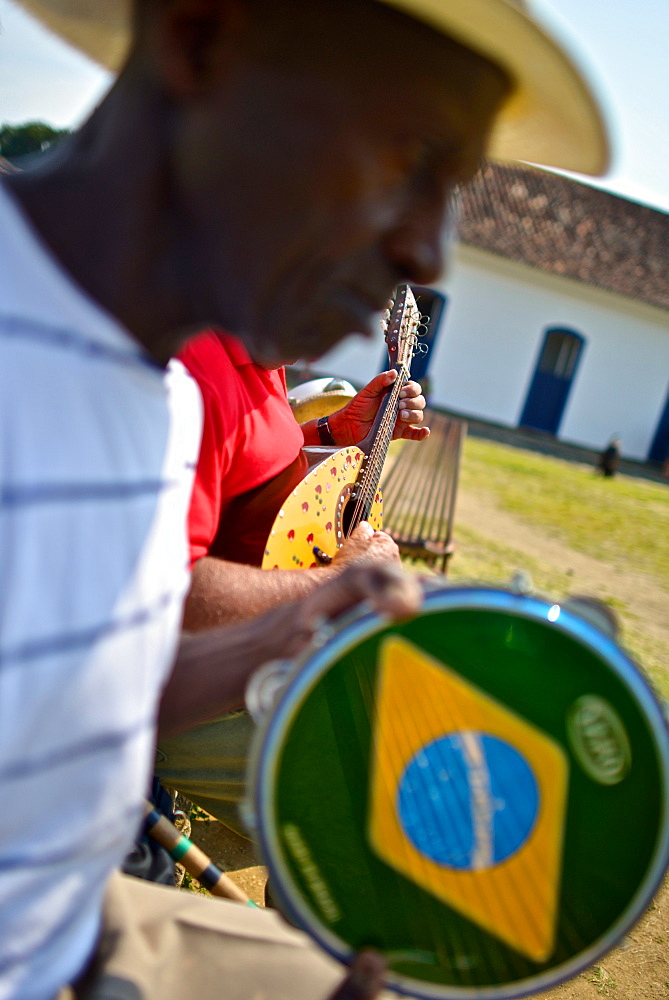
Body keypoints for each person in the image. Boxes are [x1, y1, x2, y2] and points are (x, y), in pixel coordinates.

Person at [0, 1, 608, 999]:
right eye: (405, 150)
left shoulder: (167, 399)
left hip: (78, 911)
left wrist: (304, 615)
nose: (431, 254)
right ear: (202, 40)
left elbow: (81, 689)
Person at [156, 326, 428, 834]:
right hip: (192, 687)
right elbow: (166, 589)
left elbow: (245, 464)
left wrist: (336, 432)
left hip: (263, 643)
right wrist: (337, 582)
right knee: (370, 796)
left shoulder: (263, 345)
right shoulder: (193, 372)